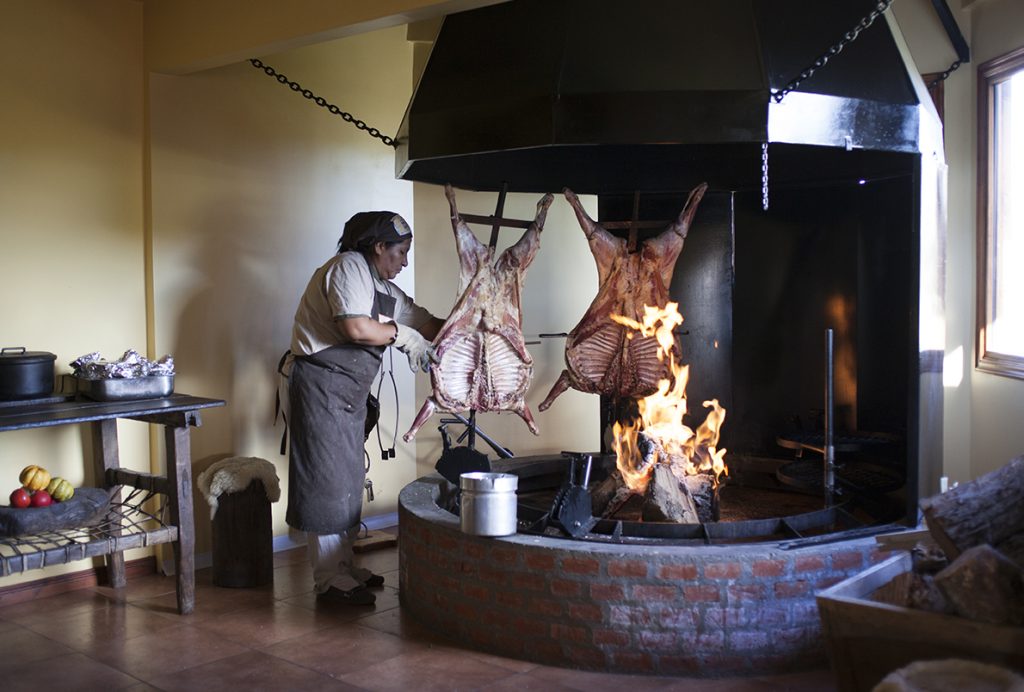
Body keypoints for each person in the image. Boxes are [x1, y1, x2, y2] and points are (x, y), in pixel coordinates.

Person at [282, 211, 445, 606]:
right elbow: (354, 329)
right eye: (400, 252)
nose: (404, 262)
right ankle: (327, 580)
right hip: (321, 385)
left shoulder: (384, 287)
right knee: (326, 480)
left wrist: (472, 327)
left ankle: (343, 566)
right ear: (378, 247)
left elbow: (427, 323)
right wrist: (402, 336)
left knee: (350, 477)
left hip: (349, 393)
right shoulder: (347, 268)